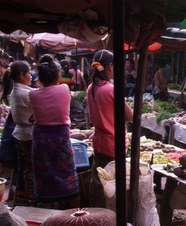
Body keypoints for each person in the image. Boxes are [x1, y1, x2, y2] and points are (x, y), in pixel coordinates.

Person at [29, 54, 79, 209]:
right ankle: (74, 215)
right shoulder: (64, 89)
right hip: (60, 139)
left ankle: (46, 217)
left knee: (45, 177)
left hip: (41, 140)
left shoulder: (33, 94)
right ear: (58, 75)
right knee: (68, 175)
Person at [87, 50, 133, 208]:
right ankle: (110, 218)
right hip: (114, 144)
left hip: (99, 142)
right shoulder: (110, 89)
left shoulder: (92, 87)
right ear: (110, 66)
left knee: (99, 182)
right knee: (112, 188)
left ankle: (97, 214)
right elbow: (129, 116)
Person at [9, 60, 36, 204]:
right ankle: (29, 196)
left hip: (20, 133)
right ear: (21, 75)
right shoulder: (25, 93)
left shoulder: (17, 91)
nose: (31, 76)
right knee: (29, 168)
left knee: (25, 166)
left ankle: (24, 195)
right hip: (27, 134)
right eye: (28, 73)